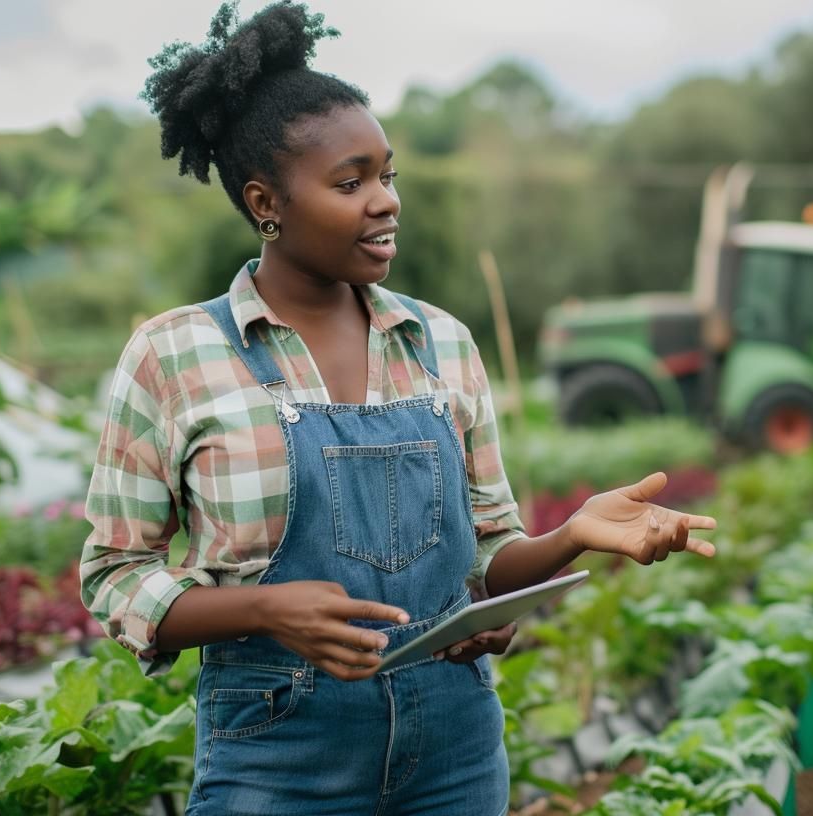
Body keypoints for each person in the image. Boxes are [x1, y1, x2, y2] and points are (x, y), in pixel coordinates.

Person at [79, 3, 717, 813]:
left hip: (454, 752)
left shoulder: (440, 343)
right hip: (277, 758)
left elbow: (488, 554)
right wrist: (264, 609)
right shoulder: (174, 356)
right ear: (264, 201)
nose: (385, 202)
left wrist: (570, 537)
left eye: (388, 175)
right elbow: (114, 577)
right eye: (351, 183)